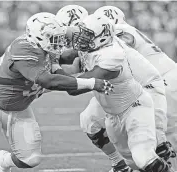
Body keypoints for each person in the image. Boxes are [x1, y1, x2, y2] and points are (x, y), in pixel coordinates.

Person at [0, 12, 113, 172]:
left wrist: (91, 51)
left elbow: (63, 67)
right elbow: (48, 81)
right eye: (54, 39)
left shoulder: (44, 45)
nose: (58, 42)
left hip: (19, 108)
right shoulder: (23, 49)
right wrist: (91, 82)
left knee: (31, 159)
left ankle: (4, 160)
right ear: (40, 38)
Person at [60, 14, 171, 172]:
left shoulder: (112, 56)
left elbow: (74, 88)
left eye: (87, 34)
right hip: (113, 115)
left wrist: (48, 76)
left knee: (143, 158)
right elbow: (67, 56)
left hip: (135, 107)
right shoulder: (95, 45)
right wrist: (44, 56)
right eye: (83, 33)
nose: (82, 38)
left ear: (102, 38)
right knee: (132, 163)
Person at [94, 5, 177, 170]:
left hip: (160, 81)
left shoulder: (120, 30)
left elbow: (123, 43)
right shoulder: (125, 29)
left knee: (162, 137)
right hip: (164, 78)